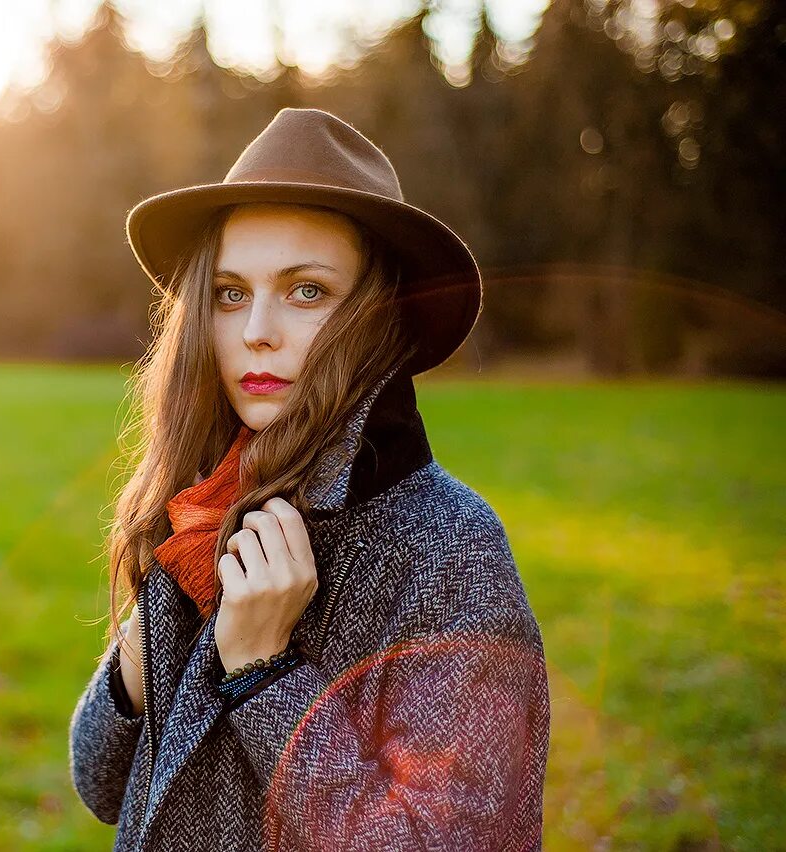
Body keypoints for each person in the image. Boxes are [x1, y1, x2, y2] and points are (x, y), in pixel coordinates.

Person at [68, 107, 549, 851]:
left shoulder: (448, 547)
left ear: (378, 314)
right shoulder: (204, 504)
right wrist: (147, 633)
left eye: (306, 291)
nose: (257, 328)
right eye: (230, 293)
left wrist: (264, 672)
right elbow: (100, 783)